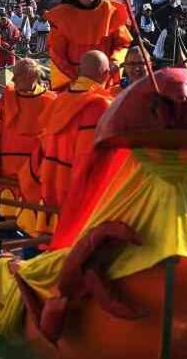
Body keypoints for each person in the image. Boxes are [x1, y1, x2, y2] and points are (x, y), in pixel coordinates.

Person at [16, 50, 114, 237]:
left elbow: (41, 148)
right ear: (106, 75)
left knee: (43, 246)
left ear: (79, 72)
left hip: (49, 189)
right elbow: (94, 161)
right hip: (77, 201)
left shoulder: (58, 101)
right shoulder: (100, 106)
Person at [0, 58, 57, 226]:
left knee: (33, 218)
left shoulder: (51, 101)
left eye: (17, 76)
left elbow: (56, 143)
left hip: (35, 177)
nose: (13, 80)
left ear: (31, 76)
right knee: (7, 214)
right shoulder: (7, 97)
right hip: (7, 176)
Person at [43, 0, 132, 90]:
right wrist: (77, 77)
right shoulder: (63, 14)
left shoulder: (111, 11)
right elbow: (57, 53)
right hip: (73, 83)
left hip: (105, 80)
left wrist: (115, 61)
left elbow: (122, 43)